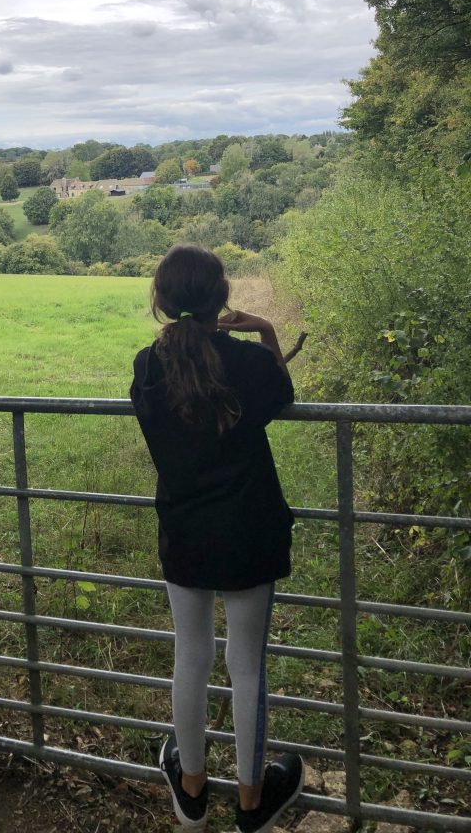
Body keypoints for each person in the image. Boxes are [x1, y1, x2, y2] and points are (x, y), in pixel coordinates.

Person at [130, 244, 304, 833]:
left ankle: (192, 792)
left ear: (161, 302)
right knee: (246, 665)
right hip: (250, 532)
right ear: (223, 299)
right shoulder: (247, 365)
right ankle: (252, 804)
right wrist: (268, 333)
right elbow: (283, 395)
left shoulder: (147, 368)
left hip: (185, 532)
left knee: (191, 656)